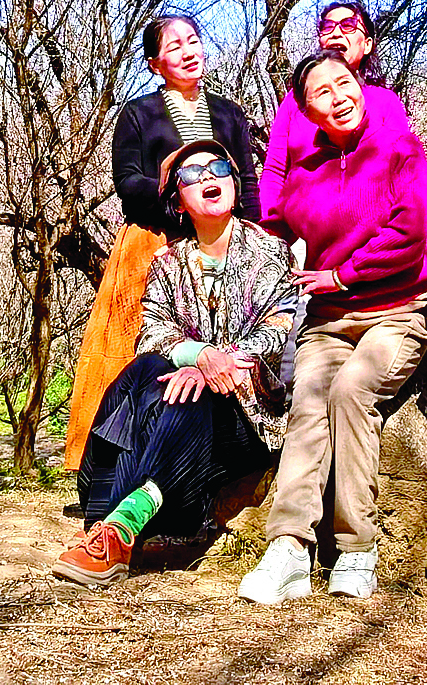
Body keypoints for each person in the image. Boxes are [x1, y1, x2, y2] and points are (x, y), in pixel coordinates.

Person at [236, 50, 427, 604]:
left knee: (352, 391)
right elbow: (276, 218)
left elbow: (410, 232)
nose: (337, 95)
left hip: (396, 309)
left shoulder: (399, 144)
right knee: (308, 400)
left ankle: (357, 547)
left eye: (343, 82)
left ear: (360, 83)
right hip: (327, 321)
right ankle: (289, 549)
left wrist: (343, 273)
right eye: (321, 92)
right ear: (308, 110)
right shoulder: (305, 170)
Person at [54, 138, 298, 586]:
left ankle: (113, 523)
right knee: (142, 371)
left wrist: (214, 363)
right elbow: (153, 331)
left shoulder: (271, 250)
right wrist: (198, 355)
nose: (208, 177)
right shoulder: (167, 262)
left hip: (244, 413)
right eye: (191, 174)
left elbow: (276, 329)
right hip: (176, 402)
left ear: (234, 180)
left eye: (218, 167)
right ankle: (116, 526)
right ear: (178, 202)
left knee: (183, 389)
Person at [62, 16, 263, 477]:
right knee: (137, 346)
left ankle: (206, 458)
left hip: (224, 241)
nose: (188, 51)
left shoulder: (230, 113)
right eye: (174, 47)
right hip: (154, 239)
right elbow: (128, 183)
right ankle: (117, 462)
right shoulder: (137, 114)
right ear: (155, 63)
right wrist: (181, 206)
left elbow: (246, 181)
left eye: (193, 40)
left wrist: (248, 234)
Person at [258, 0, 412, 226]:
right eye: (327, 27)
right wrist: (268, 233)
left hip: (377, 229)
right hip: (306, 231)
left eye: (348, 25)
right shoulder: (295, 101)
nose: (336, 33)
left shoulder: (385, 101)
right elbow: (275, 171)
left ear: (367, 44)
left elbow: (403, 173)